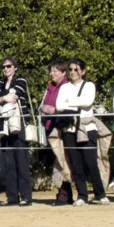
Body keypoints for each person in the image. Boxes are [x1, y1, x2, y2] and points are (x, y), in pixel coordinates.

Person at [55, 58, 109, 206]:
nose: (73, 72)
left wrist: (69, 102)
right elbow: (59, 106)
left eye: (76, 69)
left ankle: (100, 193)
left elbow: (88, 101)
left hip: (87, 128)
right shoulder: (65, 87)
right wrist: (76, 101)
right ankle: (82, 195)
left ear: (83, 71)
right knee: (76, 164)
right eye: (71, 69)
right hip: (69, 129)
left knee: (91, 162)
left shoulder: (89, 85)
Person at [0, 56, 32, 206]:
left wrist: (2, 98)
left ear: (15, 67)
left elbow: (15, 96)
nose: (6, 69)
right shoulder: (0, 83)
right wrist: (3, 98)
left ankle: (26, 196)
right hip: (3, 125)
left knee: (21, 160)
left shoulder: (21, 80)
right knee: (8, 163)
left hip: (18, 124)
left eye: (8, 66)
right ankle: (12, 196)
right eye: (3, 67)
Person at [39, 59, 73, 205]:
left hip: (61, 127)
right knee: (59, 161)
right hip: (50, 127)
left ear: (63, 72)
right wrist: (44, 109)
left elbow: (64, 106)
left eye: (55, 71)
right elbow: (43, 106)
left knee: (63, 160)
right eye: (51, 70)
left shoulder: (66, 86)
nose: (51, 73)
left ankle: (64, 195)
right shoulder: (50, 86)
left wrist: (52, 110)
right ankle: (66, 194)